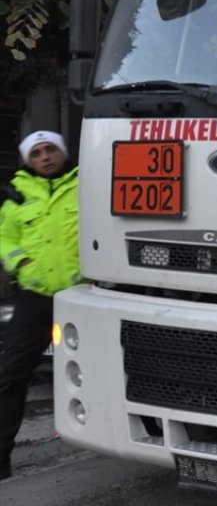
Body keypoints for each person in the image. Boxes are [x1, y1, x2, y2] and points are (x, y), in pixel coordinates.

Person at [0, 131, 81, 481]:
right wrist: (20, 264)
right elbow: (5, 238)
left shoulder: (88, 184)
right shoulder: (16, 194)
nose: (45, 157)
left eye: (51, 150)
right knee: (10, 374)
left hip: (85, 294)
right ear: (28, 160)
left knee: (119, 366)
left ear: (62, 153)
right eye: (37, 153)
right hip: (36, 296)